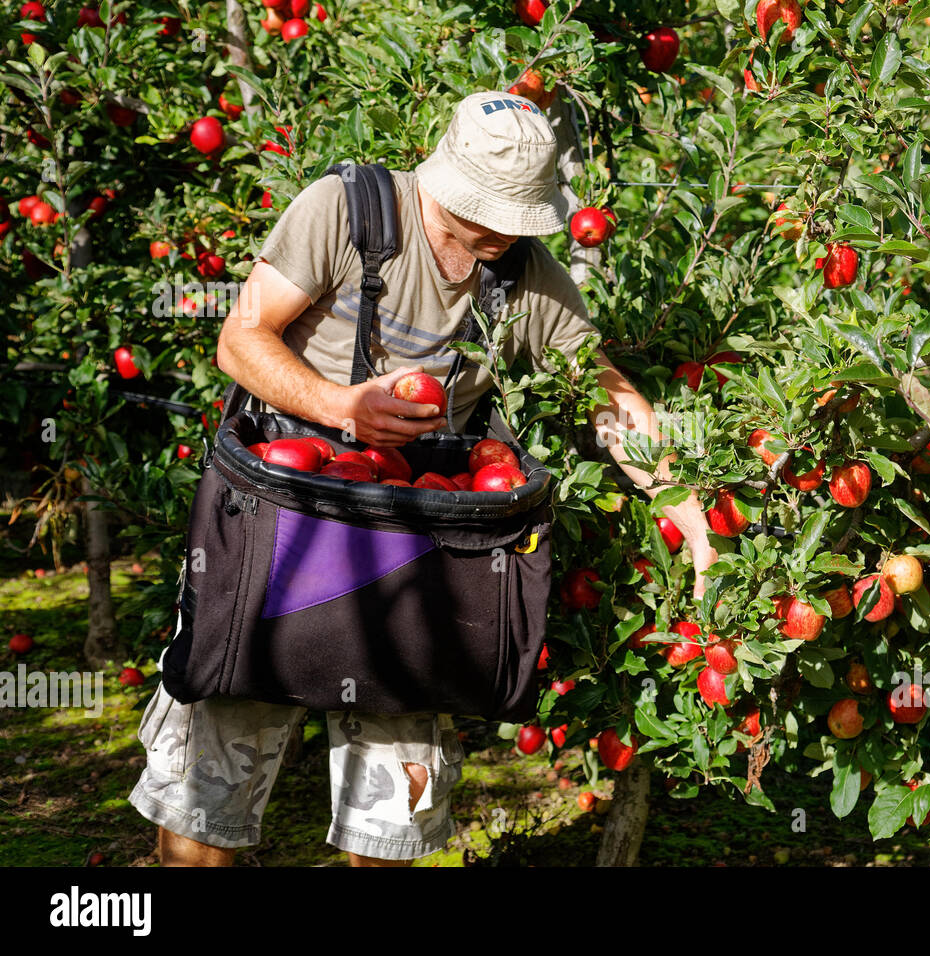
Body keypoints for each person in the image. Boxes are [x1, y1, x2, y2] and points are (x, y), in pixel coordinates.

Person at [127, 91, 719, 866]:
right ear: (446, 180)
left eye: (519, 217)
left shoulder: (522, 274)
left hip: (412, 553)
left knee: (394, 818)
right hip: (282, 530)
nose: (504, 232)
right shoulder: (344, 212)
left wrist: (697, 522)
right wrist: (342, 408)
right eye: (490, 214)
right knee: (206, 794)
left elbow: (609, 397)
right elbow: (241, 341)